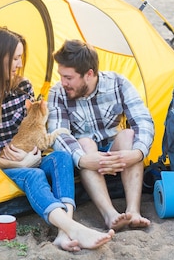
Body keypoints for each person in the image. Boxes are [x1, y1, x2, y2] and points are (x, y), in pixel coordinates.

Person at [0, 27, 114, 251]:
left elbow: (36, 125)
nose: (20, 64)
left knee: (61, 157)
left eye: (21, 58)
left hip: (33, 155)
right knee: (34, 174)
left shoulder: (23, 86)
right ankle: (73, 227)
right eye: (16, 58)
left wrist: (33, 153)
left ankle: (63, 231)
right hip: (8, 165)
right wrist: (19, 163)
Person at [47, 39, 154, 231]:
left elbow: (143, 121)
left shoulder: (118, 83)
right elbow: (58, 134)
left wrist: (138, 153)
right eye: (61, 76)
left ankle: (133, 211)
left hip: (116, 152)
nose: (63, 82)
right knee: (86, 143)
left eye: (69, 78)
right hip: (87, 155)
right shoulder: (57, 93)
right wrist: (83, 160)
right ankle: (109, 214)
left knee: (130, 135)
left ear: (89, 74)